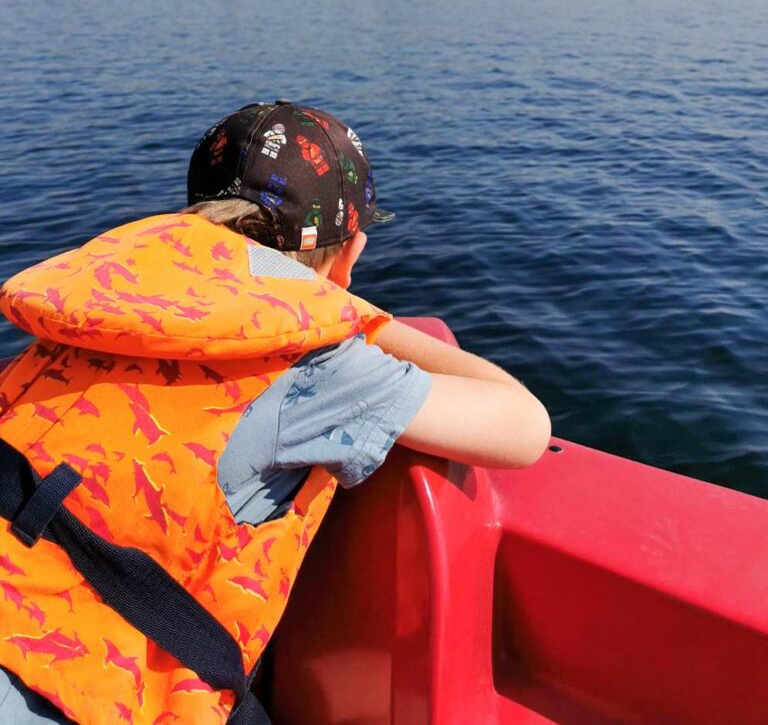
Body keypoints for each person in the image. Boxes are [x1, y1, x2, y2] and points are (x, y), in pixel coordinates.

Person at [0, 101, 550, 725]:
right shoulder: (312, 364)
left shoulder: (92, 310)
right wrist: (357, 319)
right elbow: (524, 426)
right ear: (349, 254)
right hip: (64, 693)